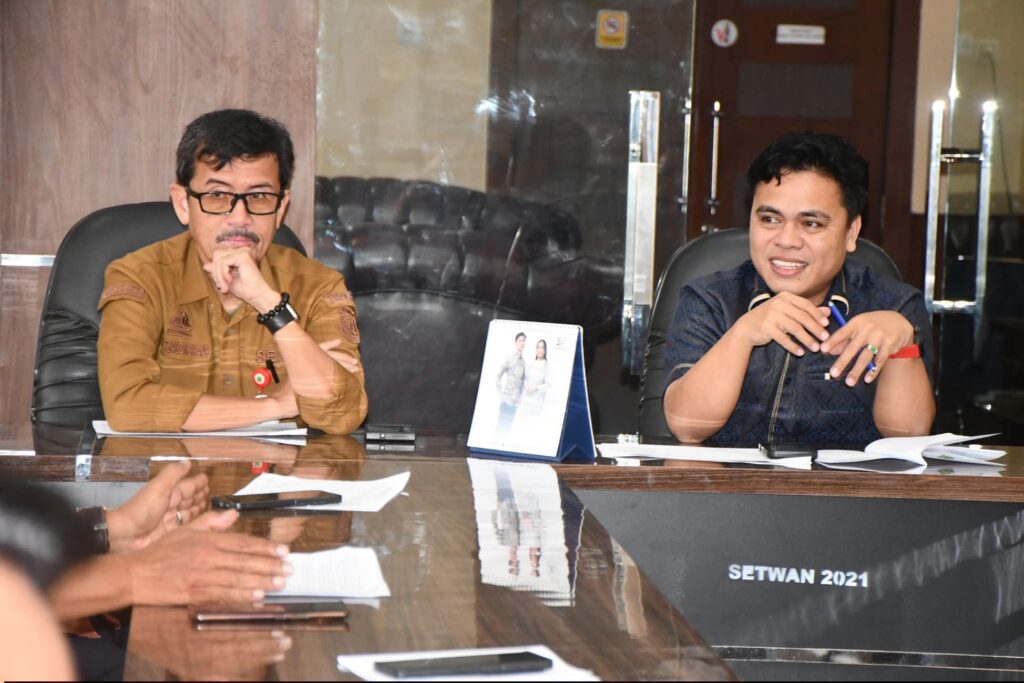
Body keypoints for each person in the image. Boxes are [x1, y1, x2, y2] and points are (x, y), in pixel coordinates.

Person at [97, 109, 367, 435]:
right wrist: (276, 406)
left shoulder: (319, 286)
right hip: (174, 468)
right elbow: (127, 406)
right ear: (183, 203)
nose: (240, 218)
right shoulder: (140, 277)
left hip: (279, 469)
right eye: (217, 195)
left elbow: (341, 413)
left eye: (259, 196)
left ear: (280, 208)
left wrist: (270, 304)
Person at [663, 132, 935, 447]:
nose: (787, 240)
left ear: (851, 232)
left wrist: (902, 345)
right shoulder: (711, 299)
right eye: (769, 219)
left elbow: (908, 438)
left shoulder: (896, 307)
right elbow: (687, 428)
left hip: (848, 482)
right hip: (727, 481)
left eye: (811, 224)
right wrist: (743, 334)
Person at [495, 332, 527, 433]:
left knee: (508, 428)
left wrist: (519, 398)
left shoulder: (524, 362)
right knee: (500, 428)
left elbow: (522, 383)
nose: (522, 343)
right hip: (506, 400)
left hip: (514, 402)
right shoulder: (509, 358)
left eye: (524, 341)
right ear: (516, 343)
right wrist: (501, 395)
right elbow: (497, 376)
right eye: (520, 341)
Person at [520, 339, 549, 416]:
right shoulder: (531, 363)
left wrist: (535, 388)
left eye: (542, 348)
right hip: (526, 399)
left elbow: (548, 384)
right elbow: (525, 379)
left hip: (537, 402)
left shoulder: (546, 366)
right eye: (538, 347)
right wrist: (527, 386)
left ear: (545, 351)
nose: (539, 350)